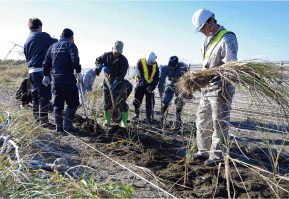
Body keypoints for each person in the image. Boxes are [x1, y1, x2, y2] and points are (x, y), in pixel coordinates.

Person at [192, 8, 238, 166]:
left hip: (221, 87)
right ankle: (203, 150)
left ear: (211, 21)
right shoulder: (206, 41)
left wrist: (219, 76)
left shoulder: (227, 38)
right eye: (201, 30)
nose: (203, 32)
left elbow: (231, 66)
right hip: (207, 87)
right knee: (202, 119)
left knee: (219, 123)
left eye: (204, 28)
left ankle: (217, 155)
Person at [42, 28, 83, 134]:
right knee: (73, 101)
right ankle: (68, 125)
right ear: (71, 37)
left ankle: (59, 127)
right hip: (68, 78)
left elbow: (46, 62)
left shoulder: (52, 47)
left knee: (57, 103)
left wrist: (46, 75)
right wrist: (78, 71)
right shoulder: (70, 45)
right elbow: (75, 59)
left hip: (55, 79)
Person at [24, 18, 57, 128]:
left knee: (35, 96)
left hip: (31, 72)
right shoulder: (42, 35)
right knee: (45, 96)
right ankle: (44, 123)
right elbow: (55, 42)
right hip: (41, 71)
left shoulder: (27, 40)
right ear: (39, 26)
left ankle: (37, 120)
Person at [94, 40, 129, 128]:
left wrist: (114, 83)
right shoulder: (106, 55)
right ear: (112, 48)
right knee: (107, 103)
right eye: (115, 52)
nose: (117, 54)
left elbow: (122, 75)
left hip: (119, 85)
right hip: (107, 84)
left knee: (122, 104)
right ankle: (107, 120)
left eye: (119, 53)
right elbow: (97, 61)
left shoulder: (124, 61)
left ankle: (123, 122)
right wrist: (101, 66)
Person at [158, 56, 188, 129]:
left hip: (179, 86)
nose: (172, 67)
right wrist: (161, 90)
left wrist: (186, 89)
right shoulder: (165, 68)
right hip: (169, 86)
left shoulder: (183, 67)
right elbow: (162, 79)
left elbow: (187, 78)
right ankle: (162, 117)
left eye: (174, 66)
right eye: (171, 66)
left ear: (177, 63)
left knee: (179, 103)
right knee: (165, 102)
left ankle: (178, 119)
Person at [132, 52, 159, 124]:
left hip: (150, 86)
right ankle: (136, 114)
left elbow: (156, 76)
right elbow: (139, 75)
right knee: (137, 100)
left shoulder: (155, 64)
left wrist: (153, 86)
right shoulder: (140, 62)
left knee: (150, 102)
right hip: (140, 84)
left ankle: (148, 117)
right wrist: (145, 85)